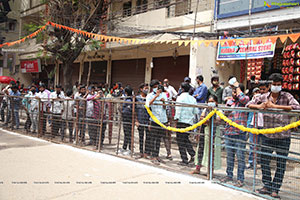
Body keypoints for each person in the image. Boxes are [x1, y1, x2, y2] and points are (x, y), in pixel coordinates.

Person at [247, 73, 300, 199]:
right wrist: (259, 106)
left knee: (281, 164)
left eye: (278, 85)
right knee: (264, 161)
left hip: (283, 136)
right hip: (267, 135)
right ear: (270, 85)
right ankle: (267, 185)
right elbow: (248, 104)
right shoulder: (263, 96)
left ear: (281, 85)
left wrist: (275, 107)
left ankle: (275, 188)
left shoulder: (287, 96)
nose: (276, 87)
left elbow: (297, 107)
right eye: (274, 85)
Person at [221, 80, 249, 188]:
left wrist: (238, 88)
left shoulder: (245, 101)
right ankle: (229, 175)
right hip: (229, 132)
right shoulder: (230, 102)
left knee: (240, 157)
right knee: (230, 157)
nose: (234, 93)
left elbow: (242, 98)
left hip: (240, 133)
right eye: (233, 91)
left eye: (235, 91)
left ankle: (240, 179)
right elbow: (225, 113)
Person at [191, 95, 222, 174]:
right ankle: (198, 168)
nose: (210, 103)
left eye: (212, 101)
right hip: (204, 131)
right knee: (200, 149)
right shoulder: (206, 109)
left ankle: (210, 171)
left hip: (214, 133)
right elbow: (202, 118)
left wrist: (209, 121)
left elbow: (218, 121)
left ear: (216, 102)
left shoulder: (218, 110)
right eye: (209, 101)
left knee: (212, 151)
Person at [174, 82, 197, 166]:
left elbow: (178, 109)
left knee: (180, 141)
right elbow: (195, 111)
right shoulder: (193, 99)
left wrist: (176, 118)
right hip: (190, 122)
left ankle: (184, 159)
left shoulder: (180, 98)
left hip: (181, 121)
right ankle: (193, 154)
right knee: (185, 139)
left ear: (182, 89)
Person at [246, 84, 268, 169]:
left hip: (264, 125)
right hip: (254, 124)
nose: (260, 92)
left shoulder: (269, 98)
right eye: (258, 90)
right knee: (253, 145)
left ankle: (263, 163)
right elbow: (248, 105)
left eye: (263, 90)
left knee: (264, 146)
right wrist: (258, 105)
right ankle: (252, 163)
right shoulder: (255, 98)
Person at [146, 80, 168, 165]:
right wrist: (156, 96)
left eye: (157, 87)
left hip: (162, 120)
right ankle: (153, 156)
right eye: (155, 87)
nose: (157, 88)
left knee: (159, 139)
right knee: (153, 138)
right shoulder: (150, 95)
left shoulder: (164, 95)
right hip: (154, 120)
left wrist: (163, 102)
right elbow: (148, 105)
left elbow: (166, 107)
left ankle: (157, 155)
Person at [135, 83, 151, 158]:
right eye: (145, 88)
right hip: (140, 120)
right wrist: (136, 120)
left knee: (148, 137)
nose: (147, 90)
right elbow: (134, 110)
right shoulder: (137, 98)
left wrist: (150, 122)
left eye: (147, 88)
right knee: (141, 137)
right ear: (141, 89)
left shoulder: (149, 98)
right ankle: (141, 152)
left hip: (148, 120)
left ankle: (147, 152)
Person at [119, 86, 133, 155]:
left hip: (128, 119)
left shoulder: (130, 100)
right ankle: (124, 147)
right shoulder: (127, 99)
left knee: (129, 134)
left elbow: (128, 110)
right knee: (126, 134)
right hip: (125, 119)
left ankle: (130, 149)